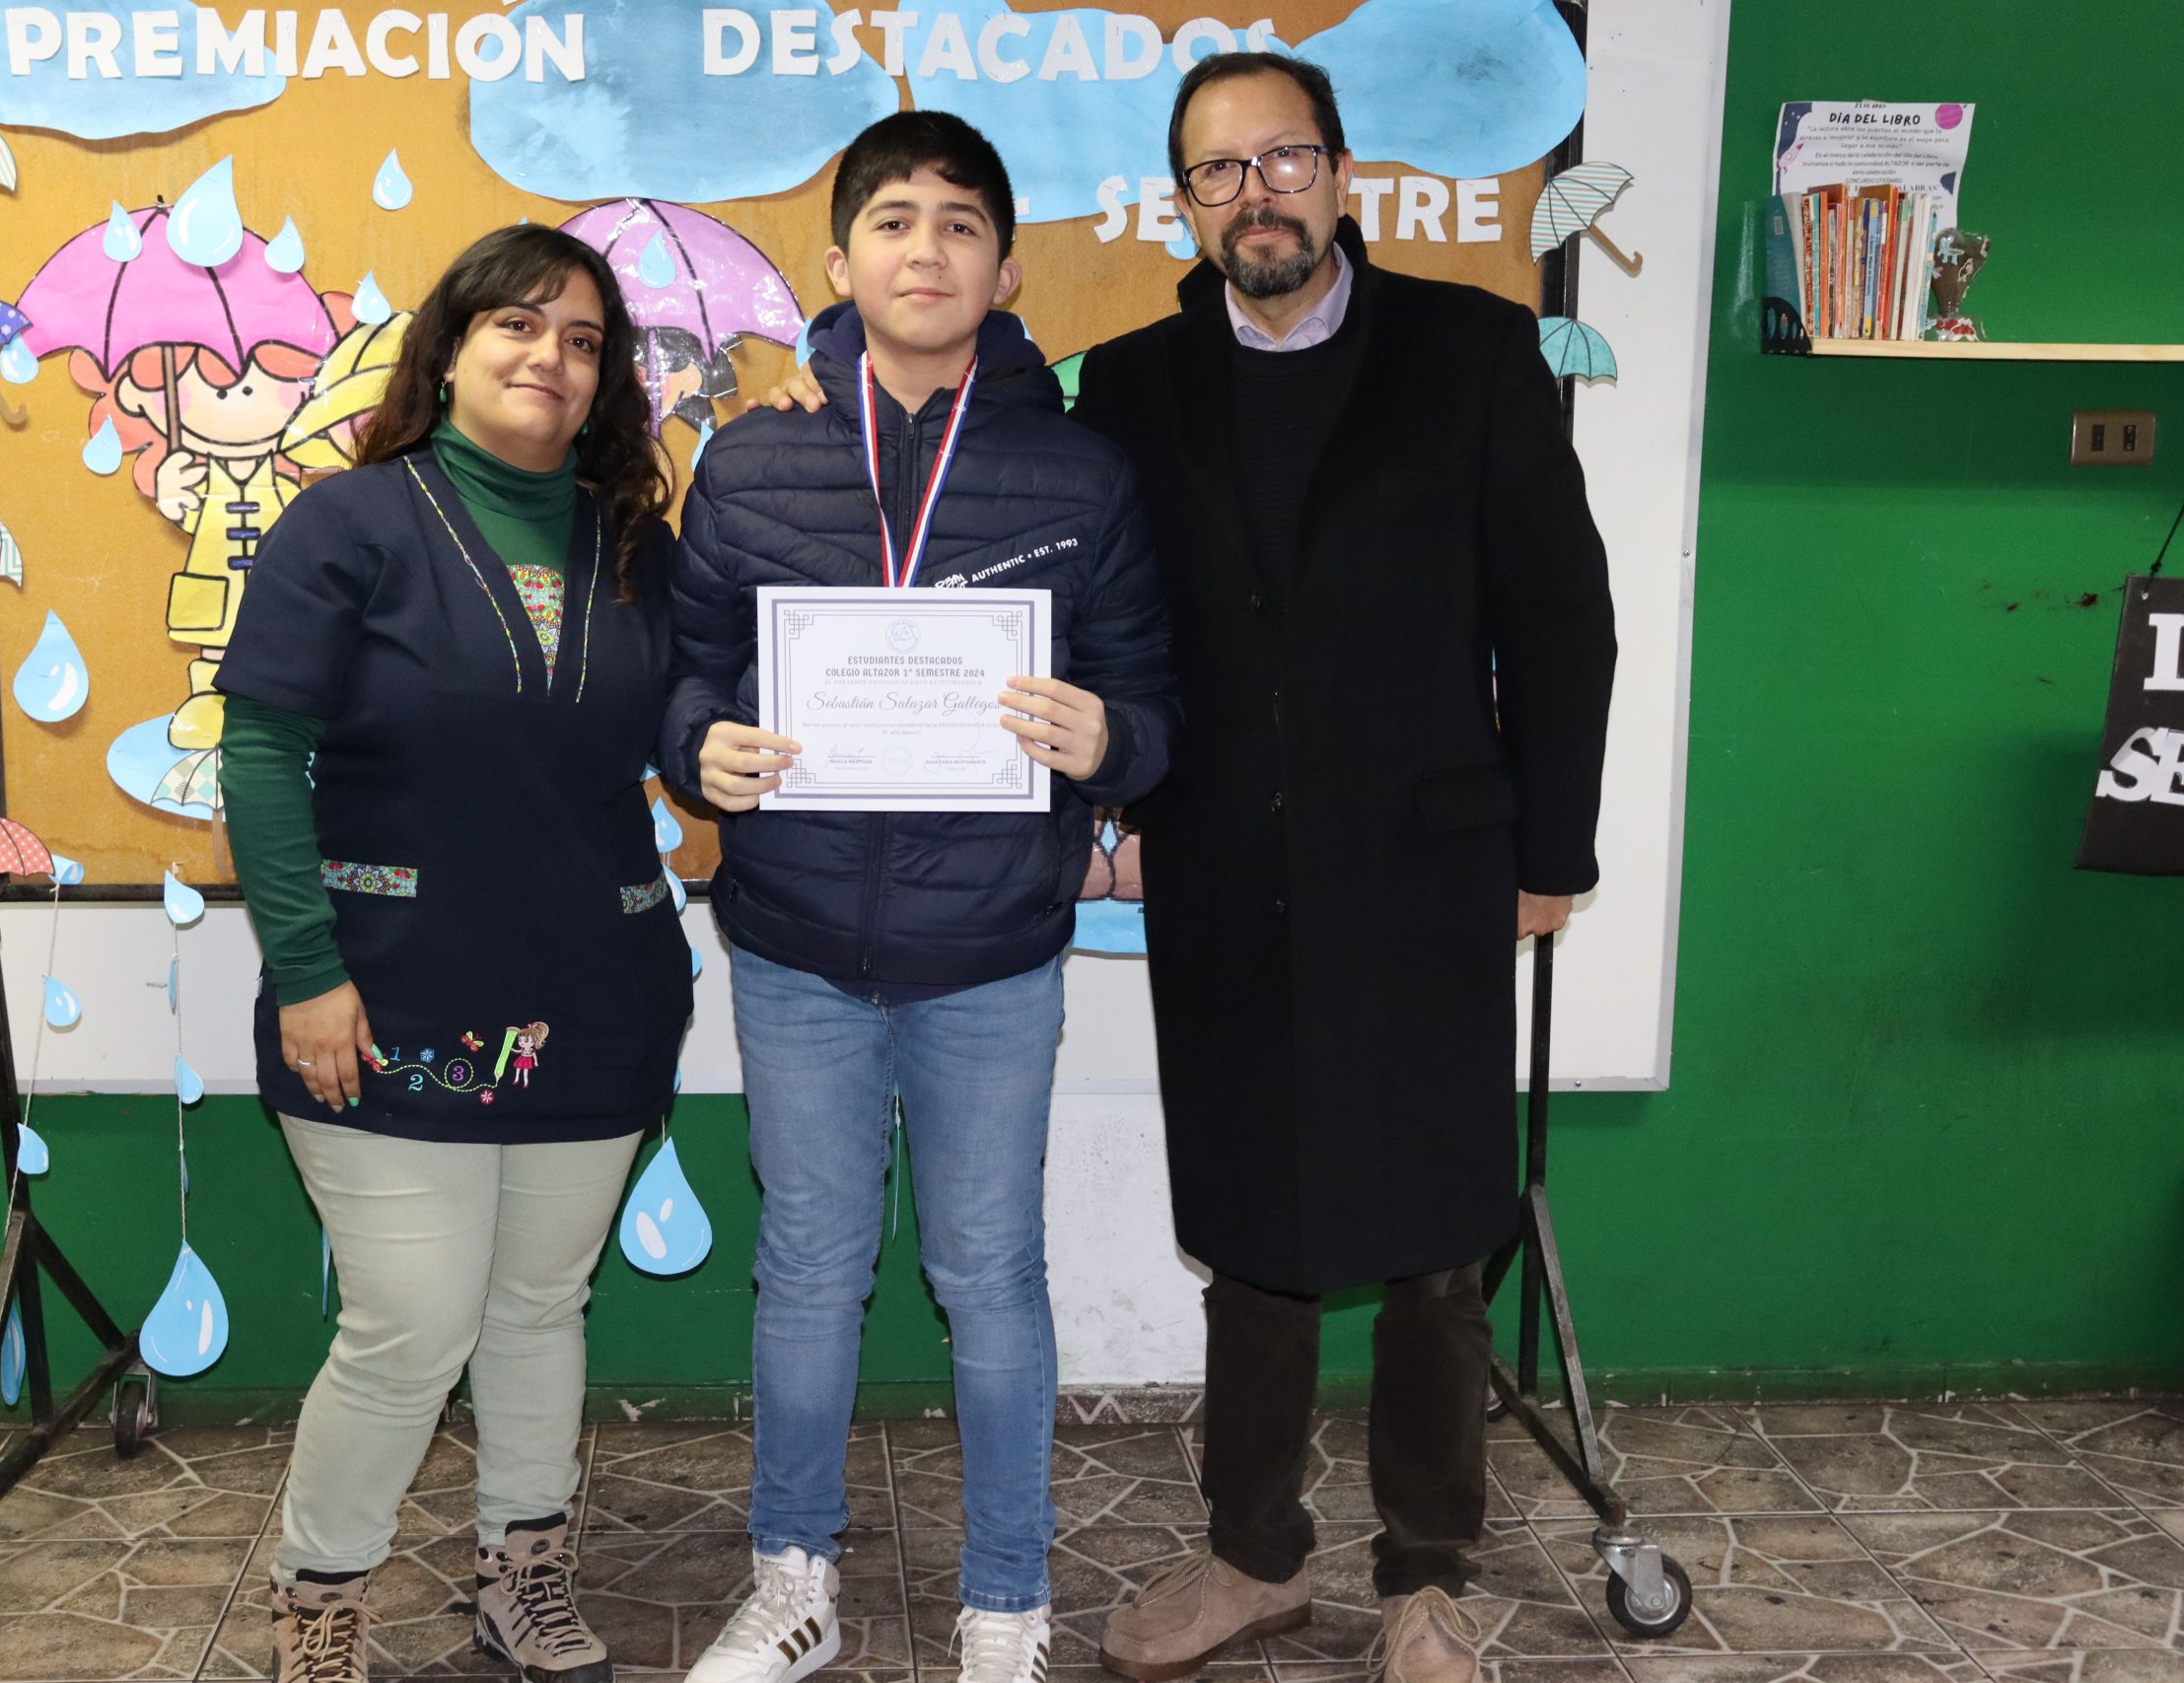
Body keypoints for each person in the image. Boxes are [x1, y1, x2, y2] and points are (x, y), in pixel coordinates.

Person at [758, 49, 1615, 1683]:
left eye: (1284, 160)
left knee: (1440, 1234)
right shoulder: (1136, 387)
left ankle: (1426, 1575)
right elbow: (981, 435)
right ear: (1186, 203)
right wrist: (813, 369)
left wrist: (1552, 849)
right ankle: (1253, 1556)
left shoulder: (1472, 350)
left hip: (1431, 868)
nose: (1256, 195)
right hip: (1221, 870)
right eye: (1221, 172)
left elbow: (1563, 616)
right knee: (1250, 1219)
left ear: (1341, 177)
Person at [659, 109, 1177, 1683]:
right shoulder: (749, 459)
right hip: (796, 946)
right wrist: (700, 750)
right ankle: (792, 1579)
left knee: (990, 1278)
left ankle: (1007, 1603)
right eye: (894, 221)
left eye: (961, 224)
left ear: (1007, 270)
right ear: (841, 262)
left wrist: (1110, 742)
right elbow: (687, 674)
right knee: (809, 1271)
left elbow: (1152, 702)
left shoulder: (1082, 470)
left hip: (994, 955)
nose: (927, 249)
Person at [215, 224, 693, 1683]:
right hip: (381, 994)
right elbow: (259, 756)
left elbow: (692, 726)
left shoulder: (638, 548)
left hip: (596, 994)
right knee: (412, 1324)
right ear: (451, 348)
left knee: (540, 1306)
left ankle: (520, 1576)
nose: (551, 357)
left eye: (583, 339)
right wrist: (307, 971)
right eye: (518, 325)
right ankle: (321, 1603)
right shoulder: (347, 524)